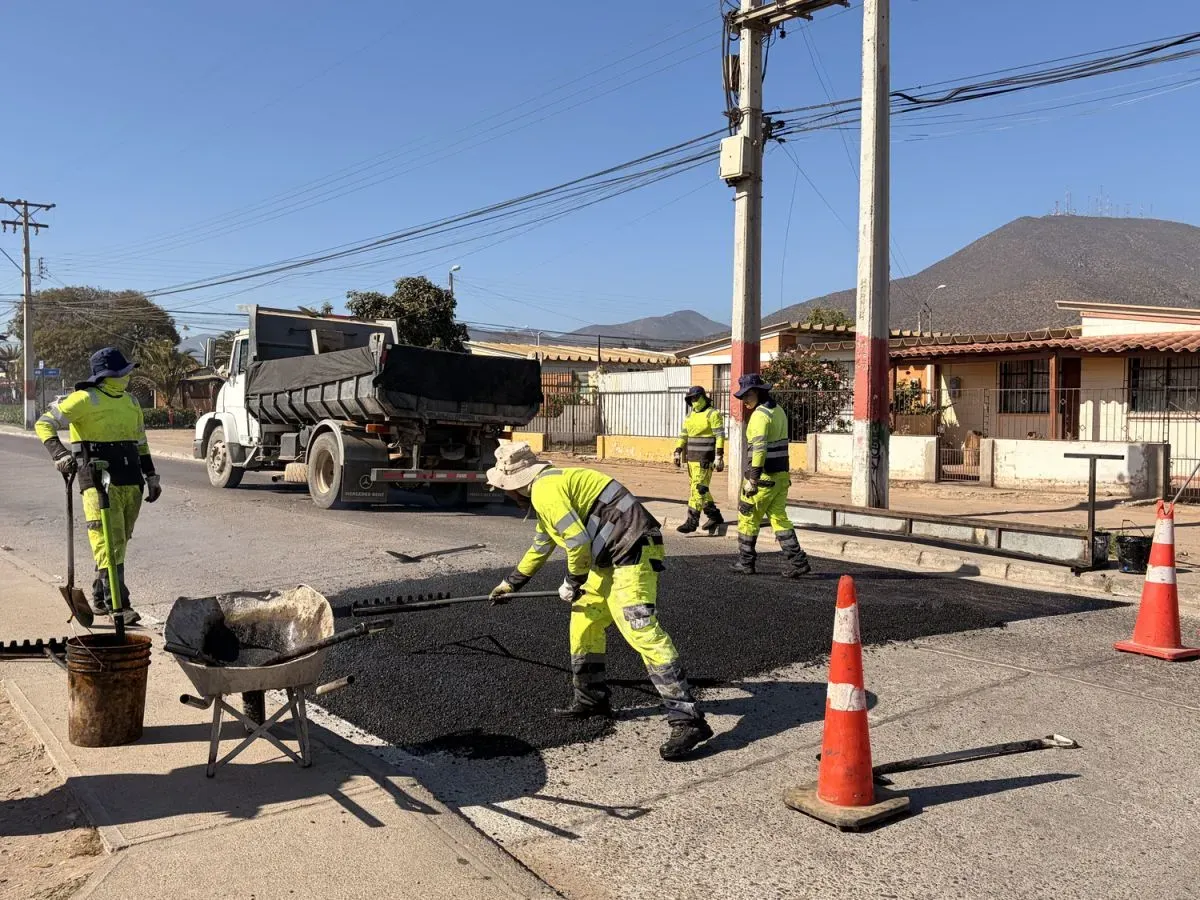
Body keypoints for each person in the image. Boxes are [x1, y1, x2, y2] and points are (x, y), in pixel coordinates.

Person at [486, 442, 713, 761]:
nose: (504, 494)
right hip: (608, 559)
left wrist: (572, 581)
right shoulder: (549, 488)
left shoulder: (546, 490)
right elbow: (542, 545)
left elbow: (577, 542)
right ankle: (591, 698)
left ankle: (687, 719)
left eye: (502, 488)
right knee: (584, 621)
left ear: (513, 484)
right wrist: (511, 583)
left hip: (633, 551)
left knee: (641, 630)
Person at [35, 348, 162, 624]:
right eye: (122, 372)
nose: (127, 377)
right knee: (107, 539)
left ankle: (100, 596)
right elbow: (44, 423)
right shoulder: (84, 399)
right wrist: (59, 454)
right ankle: (119, 604)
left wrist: (151, 476)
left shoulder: (130, 402)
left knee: (119, 540)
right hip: (97, 479)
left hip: (130, 479)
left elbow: (141, 443)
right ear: (107, 375)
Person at [731, 373, 811, 578]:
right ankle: (798, 561)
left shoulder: (759, 416)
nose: (744, 400)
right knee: (779, 519)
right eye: (742, 396)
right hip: (781, 476)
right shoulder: (779, 411)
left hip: (763, 478)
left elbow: (759, 450)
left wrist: (753, 479)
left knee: (748, 517)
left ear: (758, 392)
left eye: (747, 395)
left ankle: (745, 562)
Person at [672, 385, 725, 534]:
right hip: (692, 460)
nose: (694, 401)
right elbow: (683, 435)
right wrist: (677, 451)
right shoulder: (690, 416)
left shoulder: (713, 414)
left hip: (705, 459)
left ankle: (692, 521)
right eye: (691, 399)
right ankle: (714, 516)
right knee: (701, 489)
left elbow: (720, 436)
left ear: (703, 397)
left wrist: (719, 456)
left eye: (696, 398)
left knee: (698, 489)